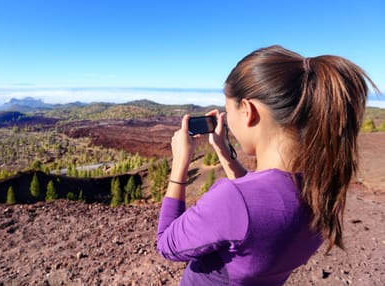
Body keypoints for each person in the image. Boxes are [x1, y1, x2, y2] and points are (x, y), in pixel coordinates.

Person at [156, 45, 379, 285]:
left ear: (249, 111)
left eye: (229, 110)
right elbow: (259, 199)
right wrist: (225, 153)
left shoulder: (232, 199)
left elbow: (167, 245)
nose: (228, 121)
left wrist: (180, 163)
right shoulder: (325, 190)